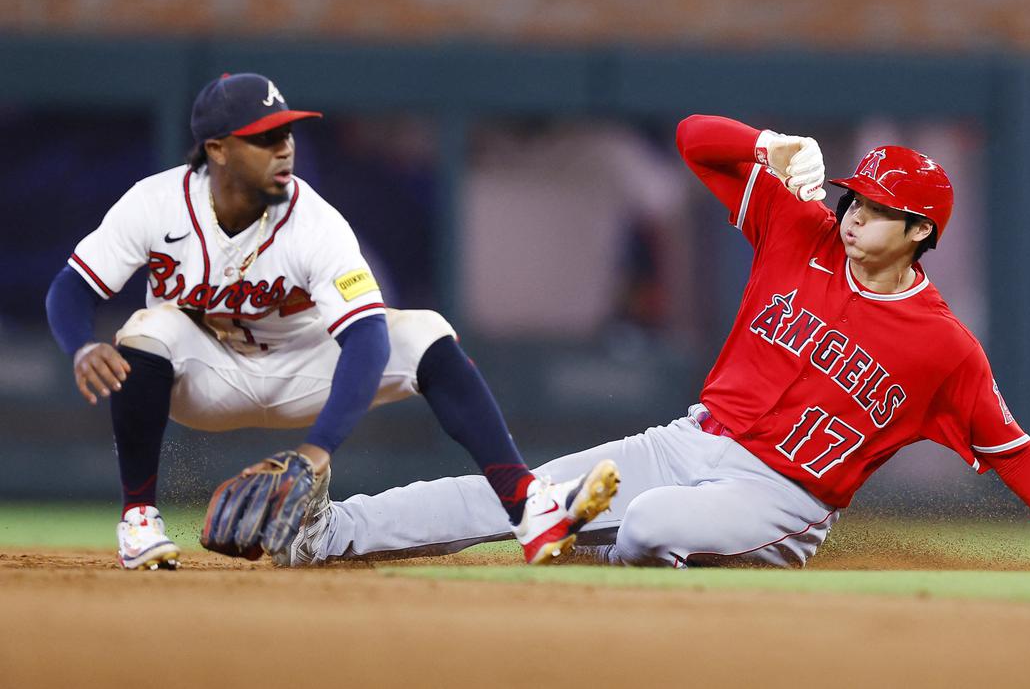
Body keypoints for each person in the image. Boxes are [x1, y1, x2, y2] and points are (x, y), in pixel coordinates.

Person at [276, 114, 1030, 574]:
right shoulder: (798, 232)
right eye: (852, 195)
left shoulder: (943, 348)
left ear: (919, 231)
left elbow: (1014, 452)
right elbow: (690, 140)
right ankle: (320, 536)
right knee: (511, 491)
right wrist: (763, 142)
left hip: (782, 502)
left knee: (645, 527)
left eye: (876, 208)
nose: (852, 211)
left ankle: (593, 540)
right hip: (686, 440)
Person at [44, 73, 618, 570]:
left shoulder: (313, 221)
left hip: (307, 374)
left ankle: (528, 506)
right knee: (150, 328)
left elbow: (366, 337)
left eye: (286, 132)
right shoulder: (155, 203)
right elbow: (71, 287)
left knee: (422, 331)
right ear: (216, 150)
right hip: (205, 378)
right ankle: (140, 518)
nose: (283, 148)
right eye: (263, 138)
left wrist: (318, 449)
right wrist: (76, 347)